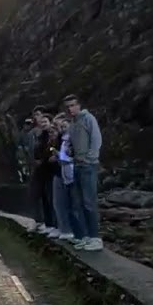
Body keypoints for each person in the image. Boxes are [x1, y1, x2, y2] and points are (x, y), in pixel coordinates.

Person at [64, 94, 103, 251]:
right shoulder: (72, 124)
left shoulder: (88, 119)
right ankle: (85, 235)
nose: (70, 109)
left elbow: (96, 139)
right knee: (78, 202)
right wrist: (71, 152)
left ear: (79, 105)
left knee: (89, 202)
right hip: (77, 165)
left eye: (73, 105)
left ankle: (95, 237)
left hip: (88, 165)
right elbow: (72, 143)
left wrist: (90, 158)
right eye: (68, 107)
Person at [49, 113, 83, 241]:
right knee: (61, 204)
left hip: (72, 174)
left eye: (62, 125)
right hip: (63, 174)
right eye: (58, 126)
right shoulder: (61, 140)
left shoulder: (72, 139)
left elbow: (72, 157)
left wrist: (59, 156)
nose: (59, 128)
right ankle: (65, 228)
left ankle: (77, 232)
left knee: (74, 205)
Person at [29, 109, 58, 234]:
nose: (43, 124)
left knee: (51, 199)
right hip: (41, 170)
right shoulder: (40, 136)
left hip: (50, 170)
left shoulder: (52, 136)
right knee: (44, 198)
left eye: (45, 121)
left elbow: (51, 150)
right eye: (41, 122)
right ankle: (47, 223)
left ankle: (54, 224)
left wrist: (43, 159)